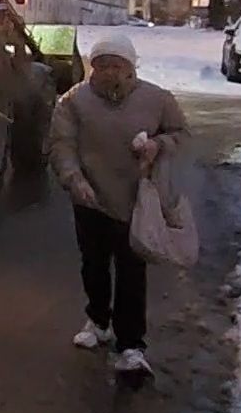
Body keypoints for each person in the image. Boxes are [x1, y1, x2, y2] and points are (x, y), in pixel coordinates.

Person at [47, 34, 189, 376]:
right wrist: (74, 179)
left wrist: (158, 145)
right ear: (92, 68)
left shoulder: (156, 99)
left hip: (136, 201)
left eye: (118, 66)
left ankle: (131, 345)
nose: (110, 73)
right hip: (90, 199)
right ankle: (98, 320)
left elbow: (181, 134)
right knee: (93, 265)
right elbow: (61, 144)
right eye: (103, 66)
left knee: (131, 272)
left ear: (131, 68)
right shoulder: (74, 101)